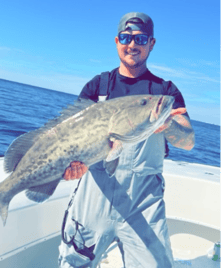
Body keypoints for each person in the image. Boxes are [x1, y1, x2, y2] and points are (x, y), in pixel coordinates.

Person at [58, 12, 195, 268]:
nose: (132, 44)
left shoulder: (165, 93)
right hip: (93, 200)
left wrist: (167, 125)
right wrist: (72, 167)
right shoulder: (97, 87)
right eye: (126, 37)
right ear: (117, 41)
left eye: (141, 38)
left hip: (144, 204)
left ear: (151, 44)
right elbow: (72, 138)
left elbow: (188, 141)